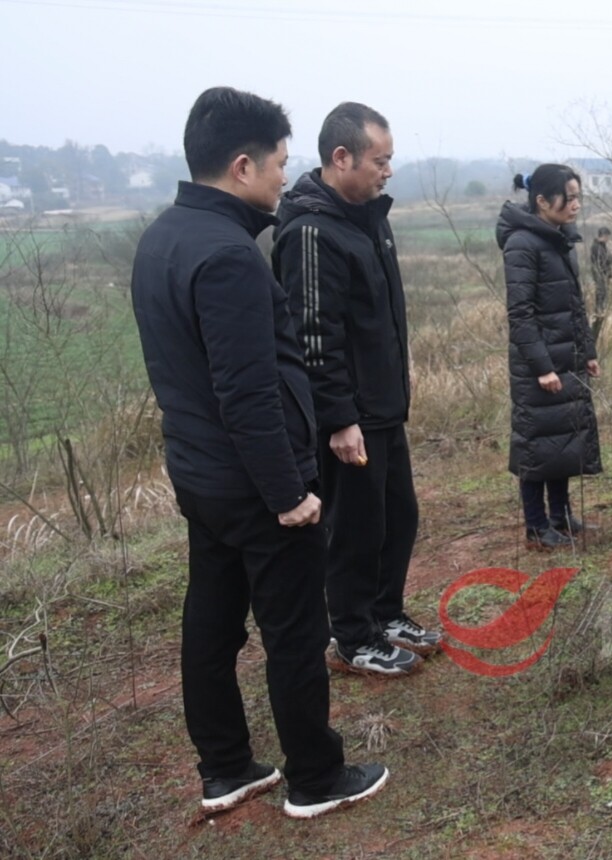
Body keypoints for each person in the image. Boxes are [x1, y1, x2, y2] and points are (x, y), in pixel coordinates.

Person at [130, 86, 387, 819]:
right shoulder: (229, 257)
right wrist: (288, 493)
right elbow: (245, 393)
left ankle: (226, 767)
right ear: (241, 166)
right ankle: (315, 777)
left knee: (210, 622)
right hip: (254, 484)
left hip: (199, 476)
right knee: (295, 631)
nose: (284, 176)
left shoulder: (163, 238)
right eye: (277, 163)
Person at [272, 102, 439, 679]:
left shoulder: (368, 217)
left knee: (399, 516)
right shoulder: (313, 232)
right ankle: (353, 635)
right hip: (353, 418)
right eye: (379, 160)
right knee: (356, 529)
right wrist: (339, 417)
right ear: (340, 158)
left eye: (390, 159)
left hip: (384, 407)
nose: (387, 171)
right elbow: (314, 336)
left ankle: (386, 613)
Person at [497, 164, 603, 550]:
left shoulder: (560, 239)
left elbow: (574, 304)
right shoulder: (522, 244)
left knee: (563, 441)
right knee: (537, 442)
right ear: (542, 200)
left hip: (567, 358)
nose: (575, 205)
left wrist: (587, 351)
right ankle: (536, 526)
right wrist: (542, 367)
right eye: (568, 197)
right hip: (538, 365)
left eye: (578, 197)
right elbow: (520, 314)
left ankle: (560, 516)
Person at [588, 225, 612, 340]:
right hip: (600, 274)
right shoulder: (597, 247)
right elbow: (604, 261)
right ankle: (599, 312)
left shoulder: (600, 246)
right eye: (607, 236)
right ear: (603, 236)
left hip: (602, 273)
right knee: (601, 293)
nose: (608, 239)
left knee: (603, 293)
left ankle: (601, 311)